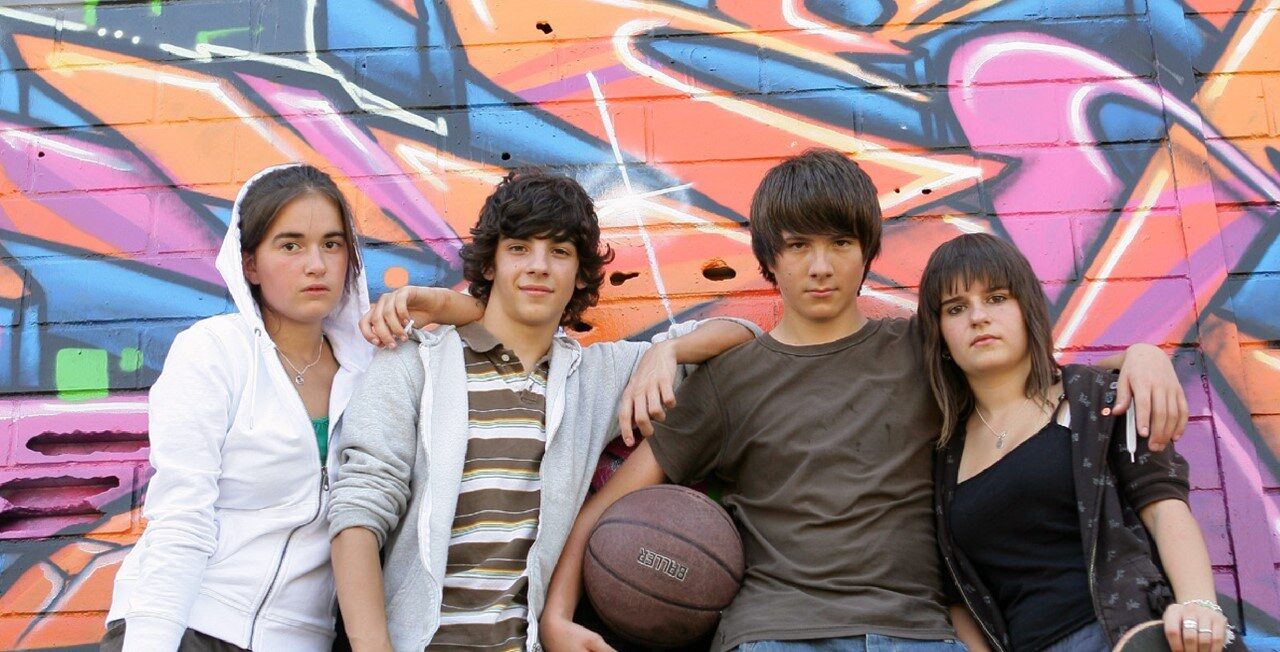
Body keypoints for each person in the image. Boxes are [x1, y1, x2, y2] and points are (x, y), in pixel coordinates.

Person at [538, 149, 1190, 652]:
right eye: (798, 246)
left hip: (916, 631)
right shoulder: (730, 379)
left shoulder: (918, 348)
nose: (820, 266)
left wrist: (1139, 357)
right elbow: (610, 505)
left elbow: (1032, 376)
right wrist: (557, 616)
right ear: (770, 259)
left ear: (866, 253)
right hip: (775, 633)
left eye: (839, 243)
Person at [326, 169, 759, 651]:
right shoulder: (412, 362)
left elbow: (745, 336)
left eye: (559, 252)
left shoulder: (593, 377)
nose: (539, 266)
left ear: (578, 274)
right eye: (519, 248)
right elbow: (358, 514)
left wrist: (668, 352)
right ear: (489, 264)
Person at [103, 164, 426, 650]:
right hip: (190, 625)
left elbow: (490, 323)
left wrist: (433, 302)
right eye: (290, 245)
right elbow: (182, 516)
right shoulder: (215, 351)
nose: (316, 264)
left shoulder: (372, 372)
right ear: (249, 263)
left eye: (332, 244)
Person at [920, 233, 1231, 652]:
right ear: (939, 335)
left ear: (1025, 308)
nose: (978, 317)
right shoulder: (942, 455)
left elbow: (1163, 507)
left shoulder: (1100, 400)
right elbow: (956, 594)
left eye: (996, 298)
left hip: (1127, 636)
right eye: (956, 308)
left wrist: (1199, 605)